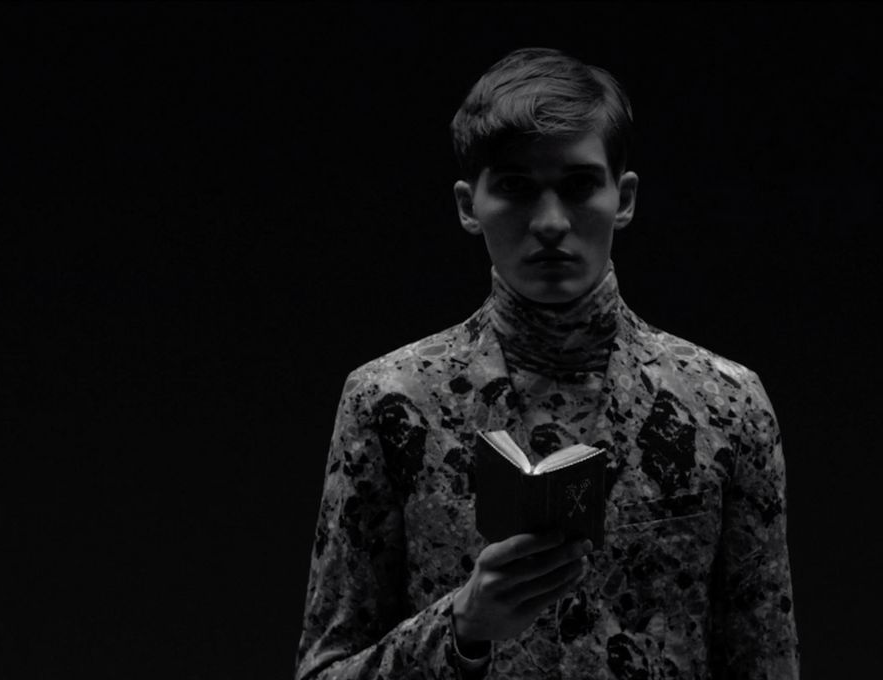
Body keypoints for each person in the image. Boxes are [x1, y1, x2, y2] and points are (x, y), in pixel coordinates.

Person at [295, 47, 800, 679]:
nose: (552, 221)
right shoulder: (392, 402)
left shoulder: (726, 405)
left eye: (580, 184)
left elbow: (765, 664)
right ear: (466, 205)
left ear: (625, 197)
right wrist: (462, 627)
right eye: (515, 187)